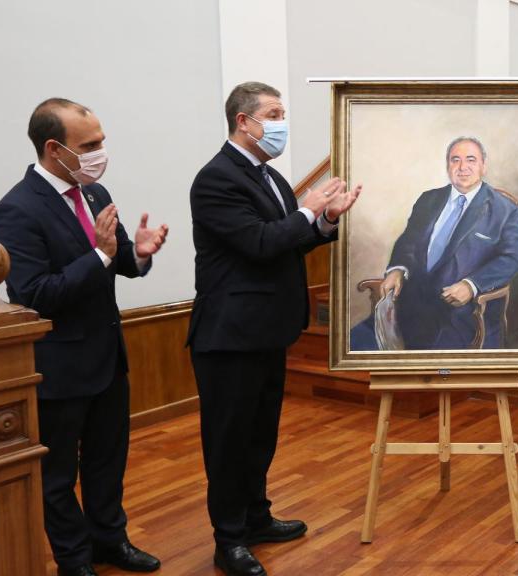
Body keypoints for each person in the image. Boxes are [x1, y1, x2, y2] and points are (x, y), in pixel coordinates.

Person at [187, 81, 360, 576]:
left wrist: (323, 219)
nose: (282, 122)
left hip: (268, 330)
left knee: (260, 435)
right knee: (228, 442)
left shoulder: (271, 178)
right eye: (274, 112)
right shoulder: (216, 179)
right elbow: (260, 243)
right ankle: (229, 540)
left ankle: (257, 518)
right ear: (244, 121)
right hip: (229, 336)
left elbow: (290, 243)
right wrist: (308, 209)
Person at [0, 98, 168, 576]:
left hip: (109, 357)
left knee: (108, 462)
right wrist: (100, 256)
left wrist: (142, 254)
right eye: (89, 145)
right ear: (54, 148)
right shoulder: (16, 208)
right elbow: (33, 294)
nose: (100, 152)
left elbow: (120, 260)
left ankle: (110, 541)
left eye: (101, 142)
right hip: (60, 367)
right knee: (58, 476)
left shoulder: (94, 191)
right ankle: (74, 559)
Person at [350, 136, 518, 351]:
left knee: (428, 371)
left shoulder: (507, 211)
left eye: (471, 160)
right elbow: (408, 241)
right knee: (354, 344)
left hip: (461, 314)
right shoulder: (428, 200)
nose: (463, 167)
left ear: (483, 165)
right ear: (447, 165)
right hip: (408, 306)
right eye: (455, 160)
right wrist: (398, 269)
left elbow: (511, 258)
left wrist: (472, 285)